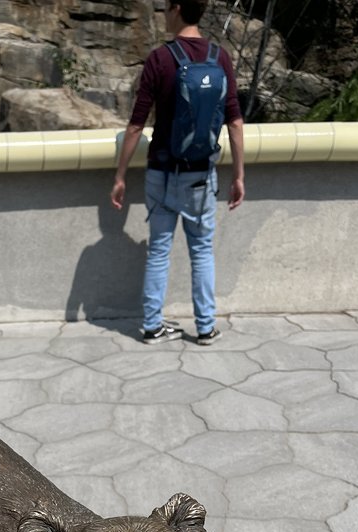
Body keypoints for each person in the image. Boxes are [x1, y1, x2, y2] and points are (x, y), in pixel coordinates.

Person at [110, 0, 245, 345]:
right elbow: (235, 123)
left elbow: (136, 125)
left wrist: (120, 175)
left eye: (165, 8)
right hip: (202, 175)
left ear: (177, 8)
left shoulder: (160, 58)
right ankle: (204, 327)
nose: (163, 14)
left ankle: (153, 326)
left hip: (162, 172)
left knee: (159, 249)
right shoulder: (221, 57)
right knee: (201, 251)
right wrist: (240, 176)